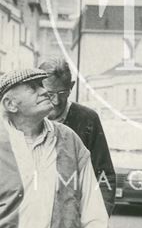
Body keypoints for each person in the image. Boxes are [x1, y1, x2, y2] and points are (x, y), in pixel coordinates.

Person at [0, 68, 108, 228]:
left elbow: (92, 203)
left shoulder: (70, 140)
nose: (44, 90)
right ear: (11, 104)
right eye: (34, 87)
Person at [39, 57, 116, 216]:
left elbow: (103, 175)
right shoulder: (28, 118)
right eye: (50, 93)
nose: (57, 100)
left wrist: (99, 219)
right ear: (38, 88)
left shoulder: (88, 119)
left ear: (71, 87)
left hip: (75, 218)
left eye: (63, 92)